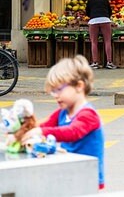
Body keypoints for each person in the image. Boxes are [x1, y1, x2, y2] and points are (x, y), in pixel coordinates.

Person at [23, 55, 105, 190]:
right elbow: (45, 124)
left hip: (87, 176)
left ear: (79, 86)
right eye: (52, 91)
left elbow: (72, 132)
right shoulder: (63, 112)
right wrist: (26, 129)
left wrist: (41, 131)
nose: (55, 95)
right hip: (69, 171)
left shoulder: (88, 115)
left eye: (59, 89)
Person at [86, 0, 117, 70]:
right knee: (107, 41)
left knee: (94, 42)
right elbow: (109, 11)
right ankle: (109, 62)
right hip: (105, 20)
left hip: (93, 21)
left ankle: (95, 62)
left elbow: (87, 11)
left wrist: (92, 16)